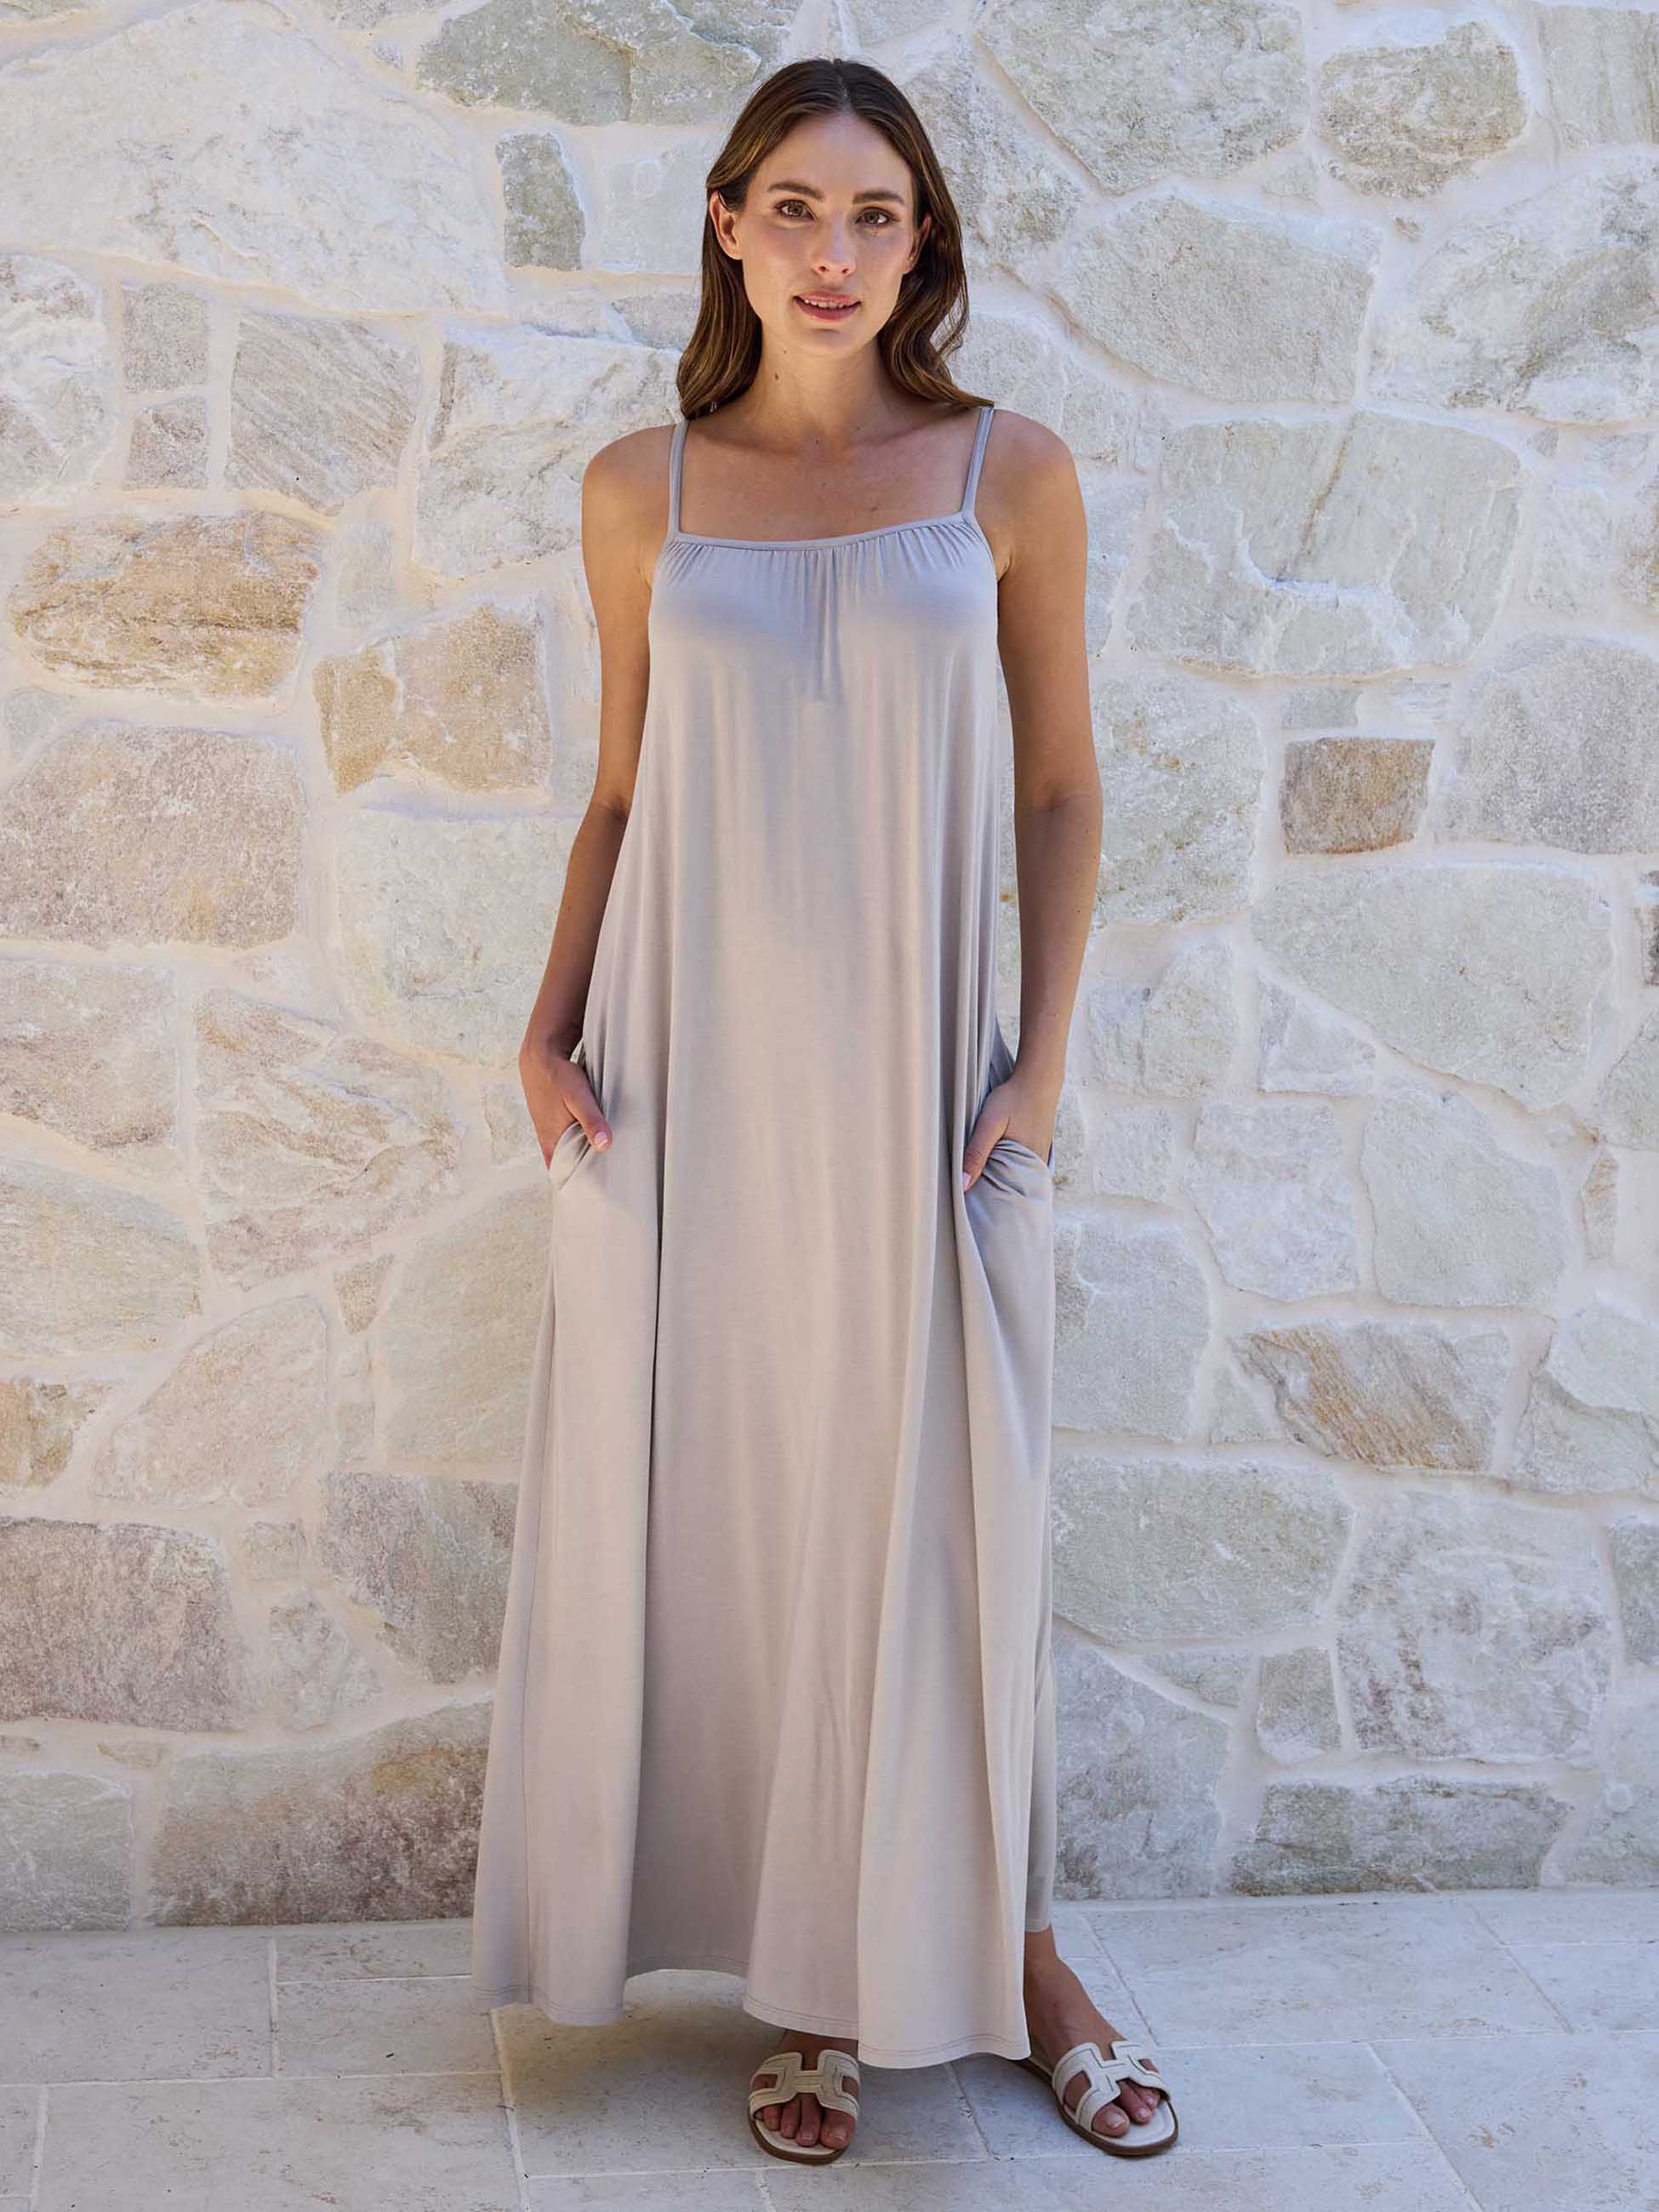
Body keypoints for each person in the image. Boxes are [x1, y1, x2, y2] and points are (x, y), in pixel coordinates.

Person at [470, 53, 1176, 2166]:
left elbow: (1064, 787)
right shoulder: (643, 490)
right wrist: (542, 1031)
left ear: (921, 240)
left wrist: (1038, 1072)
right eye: (795, 208)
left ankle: (1025, 1956)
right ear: (727, 226)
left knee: (960, 1518)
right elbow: (621, 790)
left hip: (926, 1093)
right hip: (690, 1082)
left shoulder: (1008, 474)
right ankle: (809, 1975)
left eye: (877, 215)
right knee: (756, 1514)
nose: (835, 252)